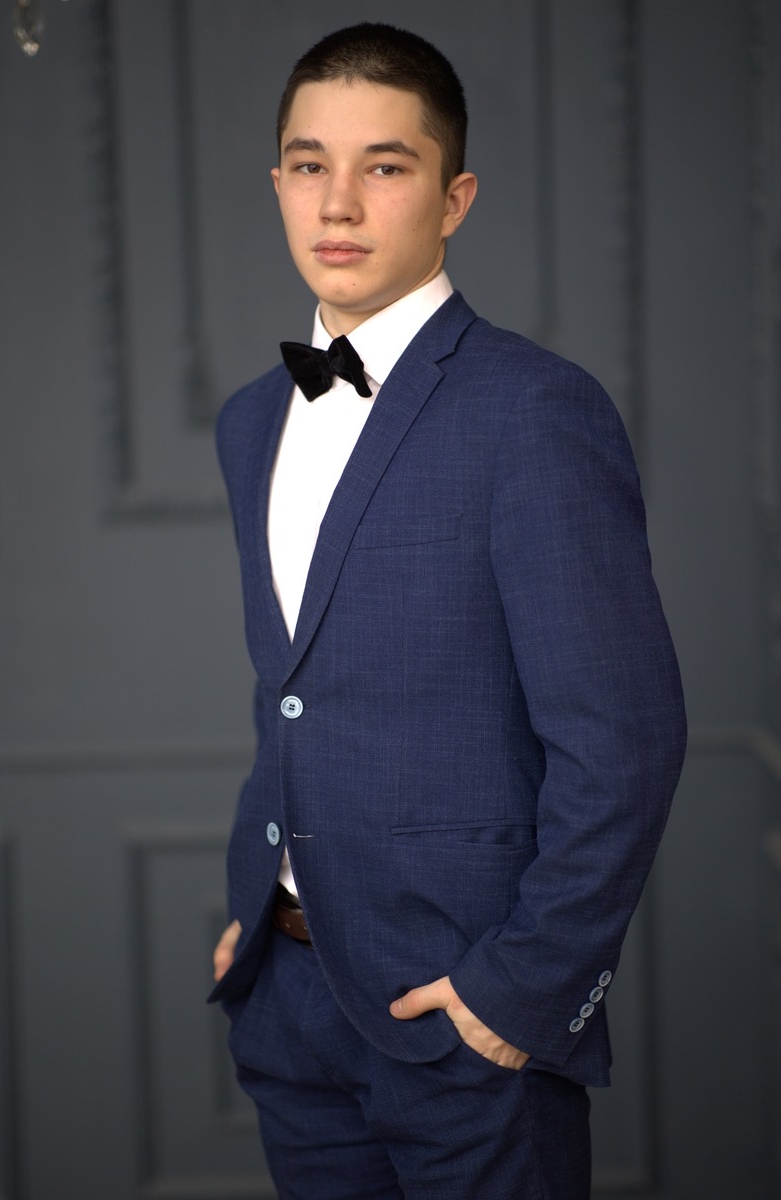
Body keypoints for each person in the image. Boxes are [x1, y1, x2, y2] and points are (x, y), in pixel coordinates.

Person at [209, 21, 686, 1200]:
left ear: (453, 198)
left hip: (463, 1017)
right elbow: (297, 694)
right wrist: (256, 910)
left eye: (386, 165)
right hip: (290, 1000)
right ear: (278, 184)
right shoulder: (251, 421)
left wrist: (522, 991)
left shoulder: (535, 411)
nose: (339, 203)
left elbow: (624, 741)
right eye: (310, 165)